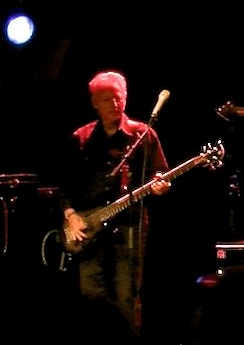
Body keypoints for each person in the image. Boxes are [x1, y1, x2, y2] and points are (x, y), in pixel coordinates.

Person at [56, 70, 171, 330]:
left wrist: (160, 185)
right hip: (89, 229)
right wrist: (71, 217)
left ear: (126, 97)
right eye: (106, 99)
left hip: (128, 228)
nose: (114, 104)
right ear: (95, 103)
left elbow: (158, 173)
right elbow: (64, 187)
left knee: (126, 295)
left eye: (118, 97)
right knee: (91, 295)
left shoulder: (143, 134)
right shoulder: (81, 138)